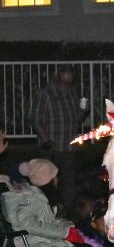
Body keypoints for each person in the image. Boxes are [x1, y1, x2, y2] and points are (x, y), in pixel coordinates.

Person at [31, 66, 87, 206]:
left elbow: (77, 119)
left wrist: (83, 110)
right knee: (47, 181)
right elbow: (35, 119)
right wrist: (45, 140)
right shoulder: (46, 93)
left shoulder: (72, 93)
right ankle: (47, 208)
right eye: (63, 82)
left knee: (68, 181)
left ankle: (67, 210)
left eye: (69, 83)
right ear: (57, 79)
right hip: (50, 145)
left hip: (67, 145)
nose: (66, 85)